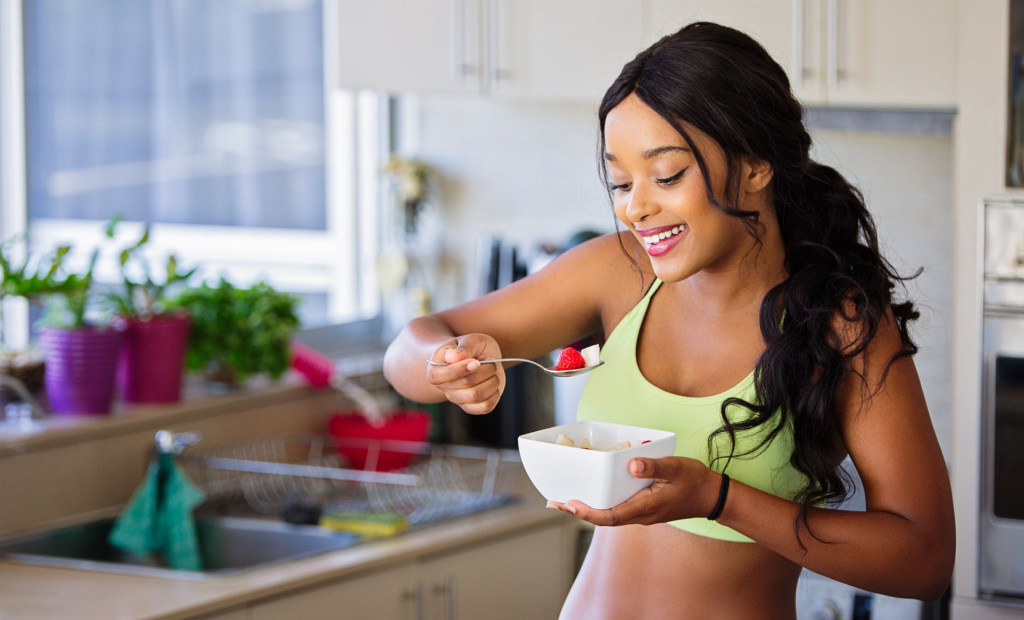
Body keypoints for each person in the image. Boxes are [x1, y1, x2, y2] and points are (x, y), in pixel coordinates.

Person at [383, 22, 955, 620]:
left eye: (668, 175)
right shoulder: (617, 272)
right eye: (621, 182)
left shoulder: (840, 327)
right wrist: (441, 366)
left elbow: (925, 559)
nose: (636, 208)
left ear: (756, 164)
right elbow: (411, 346)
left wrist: (718, 499)